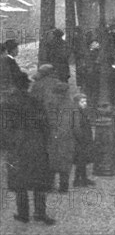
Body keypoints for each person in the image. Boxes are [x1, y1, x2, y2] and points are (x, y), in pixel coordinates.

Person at [5, 86, 56, 225]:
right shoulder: (36, 103)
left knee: (20, 183)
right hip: (37, 148)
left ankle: (23, 214)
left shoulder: (7, 105)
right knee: (39, 182)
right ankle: (40, 213)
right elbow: (47, 127)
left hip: (17, 150)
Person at [46, 81, 75, 193]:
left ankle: (49, 185)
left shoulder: (50, 102)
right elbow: (73, 122)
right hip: (66, 137)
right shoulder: (70, 104)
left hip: (52, 135)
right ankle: (63, 187)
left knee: (51, 161)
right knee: (65, 162)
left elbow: (48, 119)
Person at [72, 93, 96, 187]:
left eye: (85, 101)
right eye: (82, 102)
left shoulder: (82, 112)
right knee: (81, 160)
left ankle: (80, 178)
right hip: (80, 141)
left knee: (82, 160)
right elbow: (77, 128)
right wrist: (82, 138)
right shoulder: (76, 113)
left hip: (83, 139)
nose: (85, 103)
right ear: (77, 103)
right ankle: (79, 180)